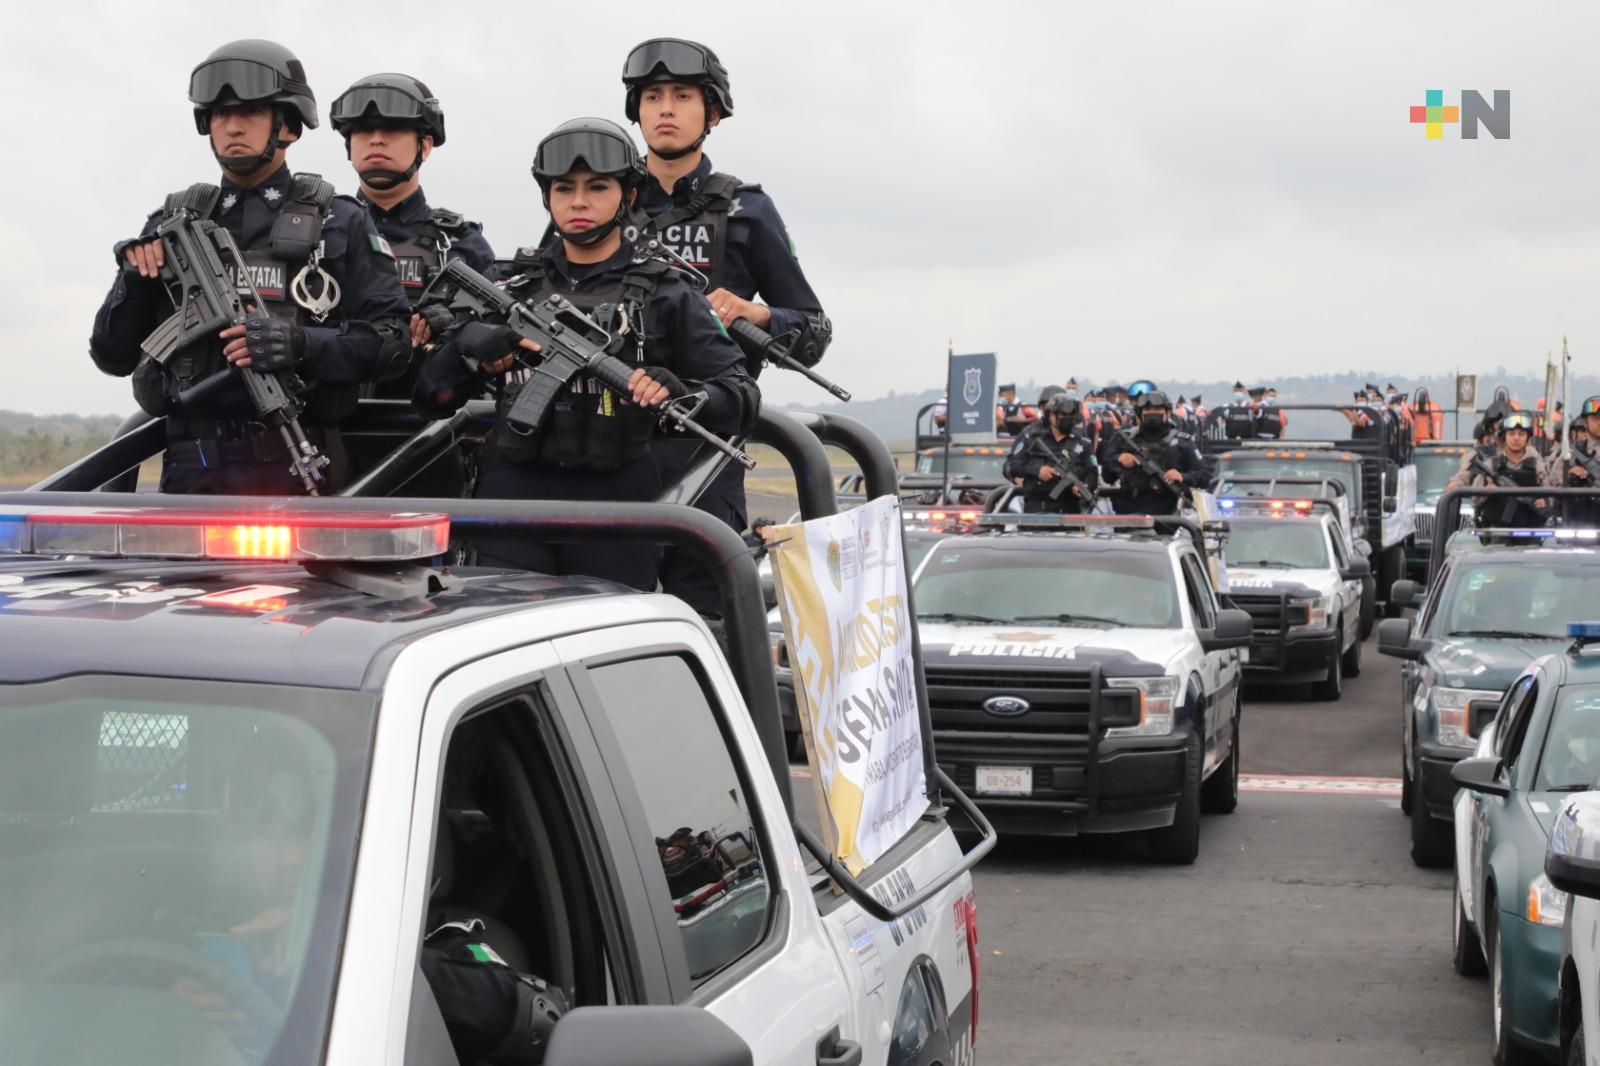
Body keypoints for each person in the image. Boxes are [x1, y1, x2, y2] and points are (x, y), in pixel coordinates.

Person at [414, 117, 754, 591]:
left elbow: (739, 394)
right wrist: (468, 347)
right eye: (563, 188)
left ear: (628, 196)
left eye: (597, 187)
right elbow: (431, 394)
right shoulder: (510, 285)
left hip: (615, 510)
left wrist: (681, 393)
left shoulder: (666, 292)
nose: (578, 201)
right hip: (512, 506)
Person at [89, 40, 411, 496]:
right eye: (221, 114)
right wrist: (135, 281)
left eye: (252, 113)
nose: (233, 126)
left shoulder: (340, 221)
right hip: (190, 479)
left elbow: (393, 344)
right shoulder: (171, 224)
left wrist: (300, 344)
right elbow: (111, 356)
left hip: (298, 469)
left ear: (289, 127)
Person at [622, 38, 828, 617]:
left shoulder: (747, 210)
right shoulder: (601, 201)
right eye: (653, 97)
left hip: (707, 448)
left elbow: (812, 330)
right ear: (636, 111)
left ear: (711, 113)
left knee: (716, 628)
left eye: (683, 96)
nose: (665, 108)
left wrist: (755, 313)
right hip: (610, 447)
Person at [329, 72, 497, 496]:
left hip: (428, 440)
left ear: (425, 144)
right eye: (364, 131)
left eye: (393, 130)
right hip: (328, 438)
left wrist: (452, 329)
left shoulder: (460, 242)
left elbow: (492, 342)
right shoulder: (313, 236)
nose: (376, 140)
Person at [1099, 391, 1207, 515]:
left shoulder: (1182, 441)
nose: (1152, 412)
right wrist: (1119, 459)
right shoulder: (1125, 437)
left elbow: (1203, 476)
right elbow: (1106, 474)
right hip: (1129, 513)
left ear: (1167, 413)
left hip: (1168, 515)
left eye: (1157, 409)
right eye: (1148, 409)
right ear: (1141, 413)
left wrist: (1182, 476)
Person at [1446, 410, 1550, 528]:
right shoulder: (1490, 464)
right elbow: (1474, 497)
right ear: (1504, 435)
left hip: (1530, 530)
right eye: (1511, 433)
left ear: (1527, 438)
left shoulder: (1536, 463)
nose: (1516, 438)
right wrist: (1487, 492)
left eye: (1521, 434)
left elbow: (1551, 494)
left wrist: (1543, 501)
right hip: (1496, 530)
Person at [1003, 394, 1094, 513]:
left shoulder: (1082, 441)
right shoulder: (1032, 437)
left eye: (1070, 415)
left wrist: (1085, 486)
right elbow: (1012, 466)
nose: (1067, 418)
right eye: (1063, 415)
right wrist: (1037, 470)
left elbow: (1093, 472)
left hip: (1069, 512)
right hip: (1036, 510)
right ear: (1052, 416)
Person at [1561, 397, 1600, 526]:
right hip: (1581, 523)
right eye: (1595, 418)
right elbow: (1552, 484)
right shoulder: (1572, 453)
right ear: (1585, 422)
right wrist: (1569, 474)